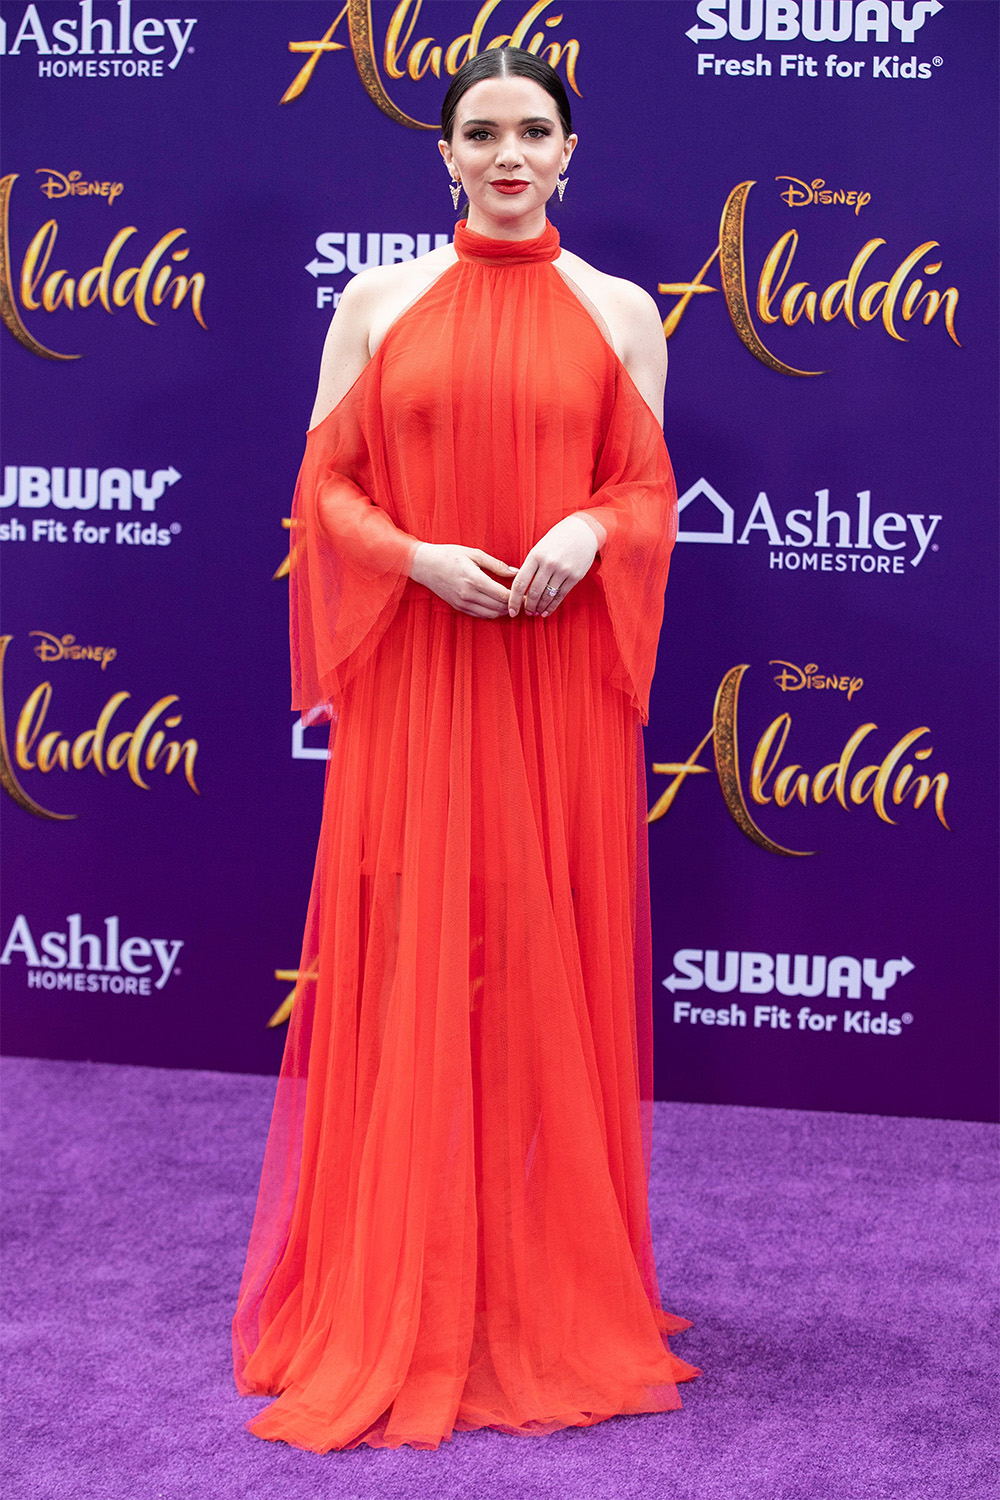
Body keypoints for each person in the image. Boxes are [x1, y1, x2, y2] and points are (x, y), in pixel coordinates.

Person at [232, 45, 701, 1453]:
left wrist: (586, 530)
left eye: (533, 132)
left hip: (554, 674)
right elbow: (326, 492)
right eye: (482, 133)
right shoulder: (376, 301)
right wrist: (421, 560)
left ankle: (543, 1284)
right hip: (427, 676)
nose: (509, 154)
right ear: (444, 155)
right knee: (418, 960)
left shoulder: (621, 312)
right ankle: (406, 1287)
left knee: (546, 962)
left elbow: (646, 489)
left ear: (571, 152)